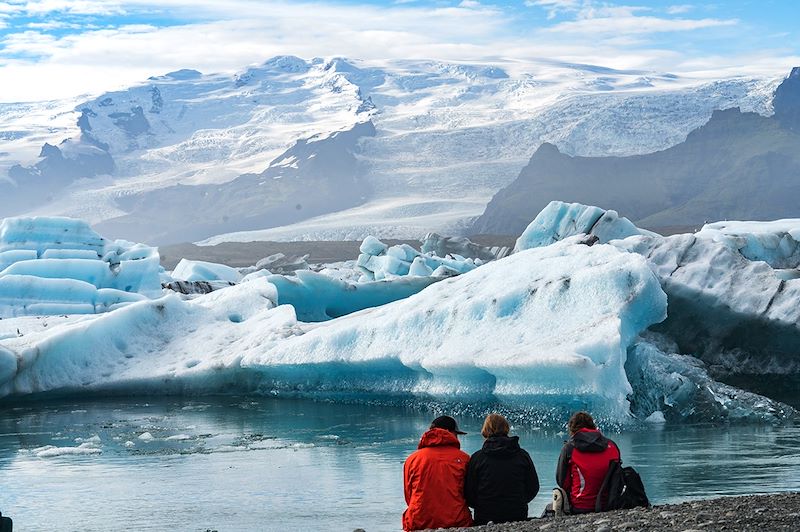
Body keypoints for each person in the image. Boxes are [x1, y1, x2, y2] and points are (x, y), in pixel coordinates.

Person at [464, 413, 539, 525]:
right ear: (506, 428)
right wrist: (519, 501)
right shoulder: (522, 455)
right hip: (517, 514)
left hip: (485, 515)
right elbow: (533, 487)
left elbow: (469, 492)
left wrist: (481, 505)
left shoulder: (478, 458)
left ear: (485, 430)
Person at [402, 415, 473, 531]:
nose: (457, 438)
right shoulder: (464, 459)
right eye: (456, 434)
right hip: (457, 521)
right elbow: (469, 495)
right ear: (449, 432)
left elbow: (409, 496)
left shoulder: (412, 459)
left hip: (419, 522)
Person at [555, 411, 620, 514]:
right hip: (609, 505)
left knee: (556, 496)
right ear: (593, 426)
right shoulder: (612, 446)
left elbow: (562, 481)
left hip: (581, 505)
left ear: (572, 429)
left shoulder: (569, 448)